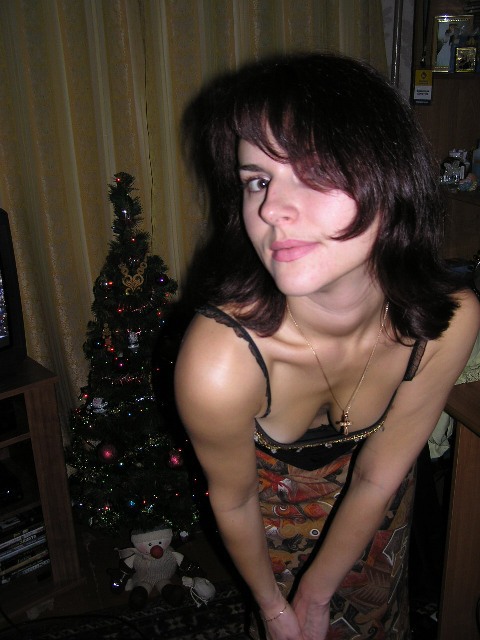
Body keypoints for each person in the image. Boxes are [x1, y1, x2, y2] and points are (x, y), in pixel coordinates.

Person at [174, 53, 479, 640]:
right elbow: (234, 503)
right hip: (264, 554)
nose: (271, 208)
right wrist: (275, 610)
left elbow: (379, 477)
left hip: (376, 532)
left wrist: (319, 593)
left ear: (391, 178)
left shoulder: (449, 322)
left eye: (315, 171)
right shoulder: (221, 361)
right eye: (257, 180)